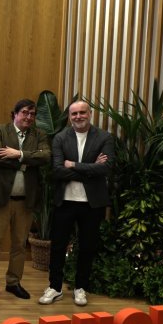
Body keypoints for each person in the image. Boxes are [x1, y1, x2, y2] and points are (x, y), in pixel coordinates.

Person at [39, 100, 113, 306]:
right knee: (58, 246)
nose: (78, 117)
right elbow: (57, 170)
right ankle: (55, 287)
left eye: (82, 112)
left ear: (90, 113)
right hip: (65, 201)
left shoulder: (104, 137)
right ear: (70, 117)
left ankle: (81, 288)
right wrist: (90, 168)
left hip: (92, 203)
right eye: (74, 114)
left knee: (87, 247)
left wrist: (73, 165)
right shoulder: (61, 137)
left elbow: (105, 168)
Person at [0, 99, 50, 301]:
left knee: (19, 244)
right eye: (25, 112)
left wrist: (17, 154)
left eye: (32, 114)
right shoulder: (0, 130)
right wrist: (28, 161)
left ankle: (13, 282)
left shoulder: (39, 135)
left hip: (25, 201)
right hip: (1, 198)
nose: (29, 117)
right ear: (15, 114)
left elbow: (45, 156)